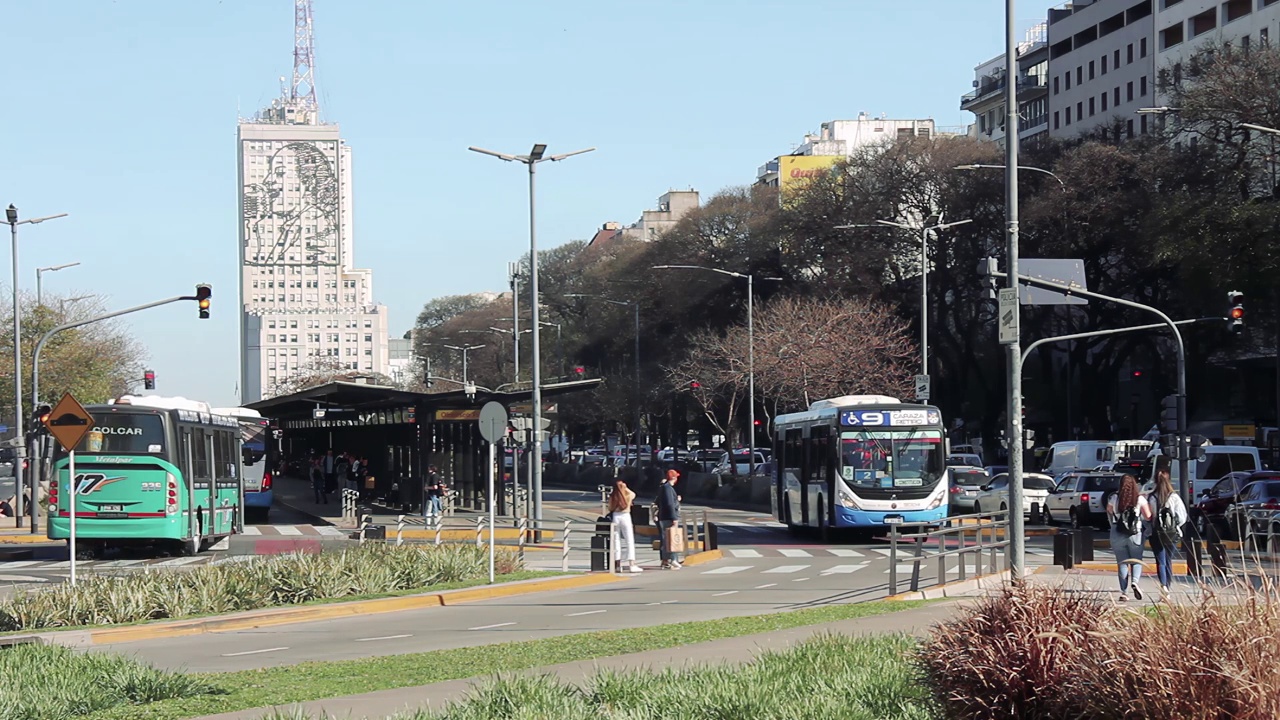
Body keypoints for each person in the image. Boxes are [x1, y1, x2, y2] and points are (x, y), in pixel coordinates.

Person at [1107, 474, 1152, 601]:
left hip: (1117, 532)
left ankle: (1124, 592)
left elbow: (1109, 510)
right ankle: (1135, 582)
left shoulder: (1114, 498)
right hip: (1135, 533)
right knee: (1136, 560)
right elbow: (1148, 516)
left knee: (1122, 563)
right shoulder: (1139, 499)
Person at [1148, 465, 1188, 599]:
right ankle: (1168, 587)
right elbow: (1182, 517)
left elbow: (1148, 517)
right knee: (1169, 560)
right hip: (1171, 534)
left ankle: (1163, 585)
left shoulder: (1151, 497)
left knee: (1161, 561)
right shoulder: (1174, 497)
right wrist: (1175, 526)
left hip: (1156, 533)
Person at [608, 479, 643, 573]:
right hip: (625, 516)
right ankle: (632, 564)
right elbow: (634, 494)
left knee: (616, 540)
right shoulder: (628, 495)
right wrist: (625, 488)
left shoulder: (613, 497)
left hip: (616, 516)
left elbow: (610, 508)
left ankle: (618, 565)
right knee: (629, 541)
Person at [656, 469, 683, 570]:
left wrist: (676, 499)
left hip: (664, 516)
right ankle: (673, 559)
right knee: (672, 539)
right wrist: (674, 517)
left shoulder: (665, 487)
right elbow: (669, 503)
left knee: (666, 539)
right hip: (668, 517)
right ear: (674, 477)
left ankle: (665, 560)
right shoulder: (668, 488)